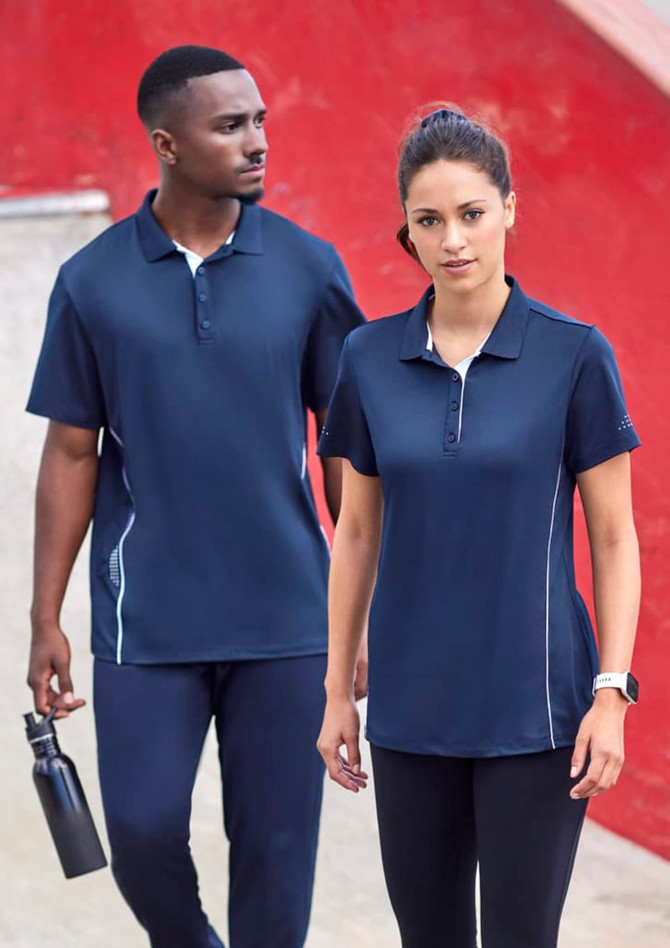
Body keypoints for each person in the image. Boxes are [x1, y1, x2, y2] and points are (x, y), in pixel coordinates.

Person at [26, 45, 366, 948]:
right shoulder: (92, 281)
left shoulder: (309, 268)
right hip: (149, 621)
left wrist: (363, 610)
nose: (258, 141)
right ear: (168, 144)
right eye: (231, 126)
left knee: (277, 850)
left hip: (290, 618)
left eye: (259, 121)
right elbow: (69, 452)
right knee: (138, 832)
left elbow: (349, 451)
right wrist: (45, 615)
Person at [316, 107, 641, 948]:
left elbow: (612, 537)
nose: (453, 239)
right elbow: (356, 532)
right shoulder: (368, 359)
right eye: (429, 220)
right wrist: (334, 693)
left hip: (537, 715)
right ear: (408, 233)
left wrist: (613, 691)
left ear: (508, 209)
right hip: (410, 711)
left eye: (471, 213)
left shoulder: (574, 355)